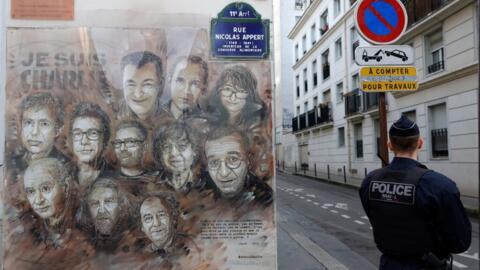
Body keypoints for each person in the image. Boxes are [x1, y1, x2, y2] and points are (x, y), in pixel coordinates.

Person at [359, 115, 471, 270]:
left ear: (390, 145)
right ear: (420, 143)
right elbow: (460, 242)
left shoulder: (369, 182)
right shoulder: (441, 186)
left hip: (388, 265)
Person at [4, 158, 94, 270]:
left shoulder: (85, 226)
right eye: (31, 192)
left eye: (46, 189)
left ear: (65, 187)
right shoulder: (29, 230)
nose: (38, 200)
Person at [203, 126, 272, 206]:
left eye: (233, 159)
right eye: (214, 162)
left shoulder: (265, 199)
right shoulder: (198, 192)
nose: (224, 173)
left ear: (248, 161)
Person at [136, 193, 201, 268]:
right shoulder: (142, 255)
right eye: (148, 218)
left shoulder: (189, 245)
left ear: (173, 218)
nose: (156, 223)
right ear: (142, 227)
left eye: (161, 215)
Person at [77, 177, 137, 252]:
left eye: (108, 202)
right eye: (94, 204)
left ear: (121, 206)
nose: (101, 211)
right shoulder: (81, 239)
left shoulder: (134, 237)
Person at [206, 65, 267, 137]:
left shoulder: (256, 123)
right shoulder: (207, 118)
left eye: (240, 91)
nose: (233, 97)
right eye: (228, 89)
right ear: (219, 91)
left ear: (249, 95)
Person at [68, 102, 112, 188]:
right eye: (78, 133)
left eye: (93, 133)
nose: (84, 141)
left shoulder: (114, 177)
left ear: (105, 139)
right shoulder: (63, 173)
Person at [152, 121, 203, 193]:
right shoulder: (151, 183)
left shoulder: (205, 182)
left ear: (194, 150)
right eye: (166, 147)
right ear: (159, 153)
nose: (174, 153)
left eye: (182, 146)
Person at [159, 55, 209, 122]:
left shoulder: (208, 125)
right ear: (169, 81)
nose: (186, 91)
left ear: (203, 88)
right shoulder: (153, 118)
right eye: (180, 81)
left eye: (194, 84)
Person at [120, 51, 165, 122]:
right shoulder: (111, 118)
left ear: (160, 85)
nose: (138, 95)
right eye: (131, 84)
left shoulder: (172, 122)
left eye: (147, 84)